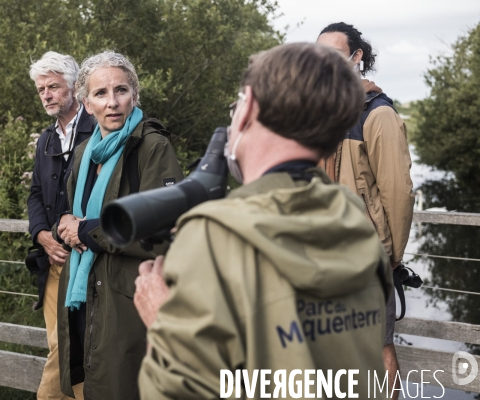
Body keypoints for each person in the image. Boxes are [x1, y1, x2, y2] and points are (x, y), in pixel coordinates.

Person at [134, 43, 393, 399]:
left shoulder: (213, 234)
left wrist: (163, 323)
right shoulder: (356, 222)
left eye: (235, 105)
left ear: (249, 106)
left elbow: (174, 393)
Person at [55, 51, 184, 400]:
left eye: (121, 90)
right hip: (84, 295)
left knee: (122, 387)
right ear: (85, 103)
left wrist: (87, 231)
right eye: (101, 94)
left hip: (128, 301)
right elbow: (72, 213)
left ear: (135, 96)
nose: (113, 102)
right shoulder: (84, 152)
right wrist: (62, 227)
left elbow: (166, 230)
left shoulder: (152, 148)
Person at [317, 22, 415, 399]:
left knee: (378, 345)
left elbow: (399, 193)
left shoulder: (378, 114)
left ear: (357, 58)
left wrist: (391, 255)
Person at [28, 51, 94, 400]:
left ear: (74, 86)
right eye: (41, 90)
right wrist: (41, 235)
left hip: (88, 259)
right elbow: (36, 194)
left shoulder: (98, 126)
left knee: (79, 346)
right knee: (60, 344)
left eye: (53, 87)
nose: (47, 95)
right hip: (53, 261)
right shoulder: (46, 139)